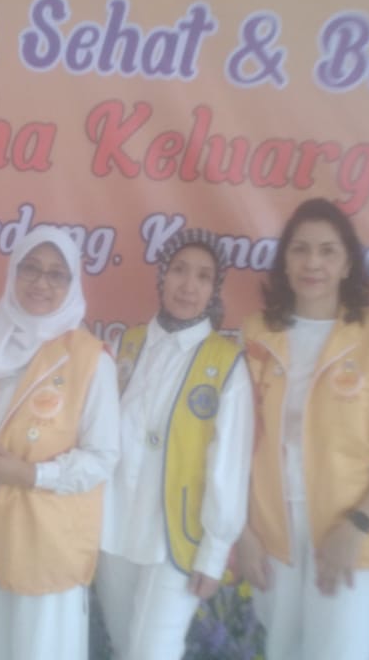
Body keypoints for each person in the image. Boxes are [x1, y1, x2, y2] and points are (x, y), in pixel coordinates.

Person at [234, 197, 369, 660]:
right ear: (285, 261)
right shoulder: (255, 333)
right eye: (300, 249)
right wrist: (242, 532)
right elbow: (232, 446)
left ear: (347, 264)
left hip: (350, 532)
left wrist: (356, 527)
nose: (312, 263)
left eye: (327, 251)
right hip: (271, 533)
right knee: (282, 651)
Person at [0, 227, 120, 660]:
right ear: (13, 273)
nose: (41, 283)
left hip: (45, 544)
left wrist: (32, 474)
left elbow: (103, 458)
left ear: (72, 283)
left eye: (57, 274)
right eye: (31, 269)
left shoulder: (89, 359)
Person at [96, 228, 253, 660]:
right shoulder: (126, 344)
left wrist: (214, 552)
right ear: (162, 276)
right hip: (114, 526)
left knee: (153, 651)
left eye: (203, 276)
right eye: (180, 270)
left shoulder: (225, 362)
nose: (188, 285)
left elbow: (229, 465)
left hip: (176, 535)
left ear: (214, 289)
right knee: (124, 646)